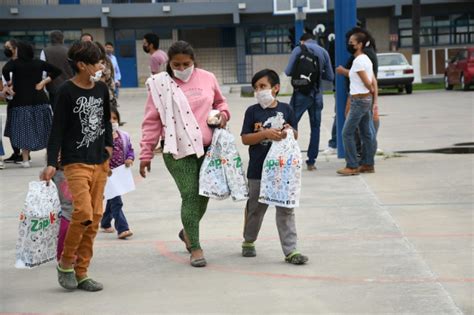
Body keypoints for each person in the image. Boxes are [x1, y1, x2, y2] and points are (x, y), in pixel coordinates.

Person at [139, 40, 230, 267]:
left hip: (208, 149)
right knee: (190, 194)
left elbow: (220, 102)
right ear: (169, 63)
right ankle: (195, 247)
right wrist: (145, 153)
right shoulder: (160, 85)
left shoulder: (208, 77)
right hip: (177, 150)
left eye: (186, 64)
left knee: (203, 196)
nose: (181, 69)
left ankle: (188, 230)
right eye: (176, 65)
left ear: (194, 62)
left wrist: (223, 115)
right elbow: (151, 121)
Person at [40, 41, 113, 292]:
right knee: (81, 212)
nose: (102, 67)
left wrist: (109, 146)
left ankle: (82, 273)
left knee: (94, 219)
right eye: (98, 63)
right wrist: (51, 163)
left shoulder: (101, 89)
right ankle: (66, 264)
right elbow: (56, 129)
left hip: (99, 162)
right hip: (75, 162)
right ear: (82, 65)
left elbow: (106, 121)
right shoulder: (65, 92)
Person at [240, 69, 308, 265]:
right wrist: (265, 134)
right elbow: (245, 139)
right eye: (256, 88)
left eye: (263, 86)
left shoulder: (287, 109)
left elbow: (295, 134)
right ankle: (249, 240)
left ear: (276, 88)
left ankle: (291, 250)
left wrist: (288, 131)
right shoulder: (252, 112)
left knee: (286, 209)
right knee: (256, 208)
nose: (259, 91)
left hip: (282, 170)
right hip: (257, 170)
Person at [2, 40, 61, 168]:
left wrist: (8, 84)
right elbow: (57, 71)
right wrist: (43, 82)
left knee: (24, 131)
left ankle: (25, 160)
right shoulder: (38, 63)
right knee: (45, 130)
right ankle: (50, 158)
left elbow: (5, 70)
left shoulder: (15, 63)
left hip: (21, 102)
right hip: (40, 101)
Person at [285, 33, 334, 171]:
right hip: (317, 96)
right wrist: (317, 74)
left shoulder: (298, 49)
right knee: (315, 128)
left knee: (289, 125)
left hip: (300, 94)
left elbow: (288, 71)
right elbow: (330, 76)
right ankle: (311, 162)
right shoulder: (323, 51)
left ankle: (290, 157)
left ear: (302, 40)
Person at [336, 32, 376, 176]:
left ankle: (352, 166)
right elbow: (357, 76)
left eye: (352, 42)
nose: (349, 44)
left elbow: (367, 82)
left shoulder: (359, 61)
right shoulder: (365, 59)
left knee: (346, 133)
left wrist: (370, 88)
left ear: (359, 45)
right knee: (366, 133)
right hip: (364, 101)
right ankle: (368, 164)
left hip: (359, 101)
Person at [100, 107, 134, 239]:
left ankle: (105, 222)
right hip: (106, 174)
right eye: (108, 119)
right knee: (117, 201)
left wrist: (130, 158)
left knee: (112, 198)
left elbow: (130, 149)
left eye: (114, 119)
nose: (112, 121)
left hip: (119, 174)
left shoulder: (123, 136)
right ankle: (123, 228)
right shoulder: (100, 137)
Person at [40, 30, 74, 110]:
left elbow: (43, 72)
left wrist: (43, 86)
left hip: (53, 87)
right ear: (62, 39)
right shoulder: (69, 51)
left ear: (51, 39)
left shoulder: (45, 51)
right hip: (69, 85)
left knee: (56, 111)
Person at [2, 39, 22, 164]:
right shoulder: (8, 64)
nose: (6, 49)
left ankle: (23, 154)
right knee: (11, 127)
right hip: (11, 99)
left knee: (22, 126)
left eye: (8, 47)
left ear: (15, 48)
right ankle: (16, 152)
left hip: (21, 99)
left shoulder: (21, 63)